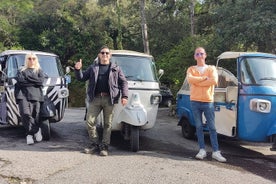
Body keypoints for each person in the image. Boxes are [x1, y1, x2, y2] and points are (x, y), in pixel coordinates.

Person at [74, 46, 128, 156]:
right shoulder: (93, 67)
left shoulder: (116, 68)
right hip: (96, 98)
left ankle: (104, 146)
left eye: (107, 53)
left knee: (108, 124)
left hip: (110, 99)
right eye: (102, 53)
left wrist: (125, 96)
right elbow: (82, 78)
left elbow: (124, 83)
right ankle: (94, 144)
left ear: (110, 55)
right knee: (89, 121)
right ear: (99, 55)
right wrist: (78, 70)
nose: (104, 55)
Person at [186, 47, 227, 162]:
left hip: (208, 101)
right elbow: (190, 80)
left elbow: (214, 81)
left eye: (201, 54)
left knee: (212, 127)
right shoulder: (191, 69)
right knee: (198, 127)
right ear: (195, 56)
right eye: (197, 54)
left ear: (205, 55)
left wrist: (197, 82)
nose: (199, 56)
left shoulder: (211, 68)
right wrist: (204, 78)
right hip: (195, 101)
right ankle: (202, 150)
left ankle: (216, 151)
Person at [15, 53, 44, 145]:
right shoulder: (21, 70)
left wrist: (27, 78)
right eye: (29, 58)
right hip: (22, 95)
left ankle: (29, 134)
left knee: (35, 115)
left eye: (34, 58)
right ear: (26, 60)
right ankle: (35, 131)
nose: (32, 60)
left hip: (36, 95)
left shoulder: (39, 70)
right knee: (25, 113)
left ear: (36, 60)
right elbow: (21, 82)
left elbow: (40, 82)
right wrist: (34, 81)